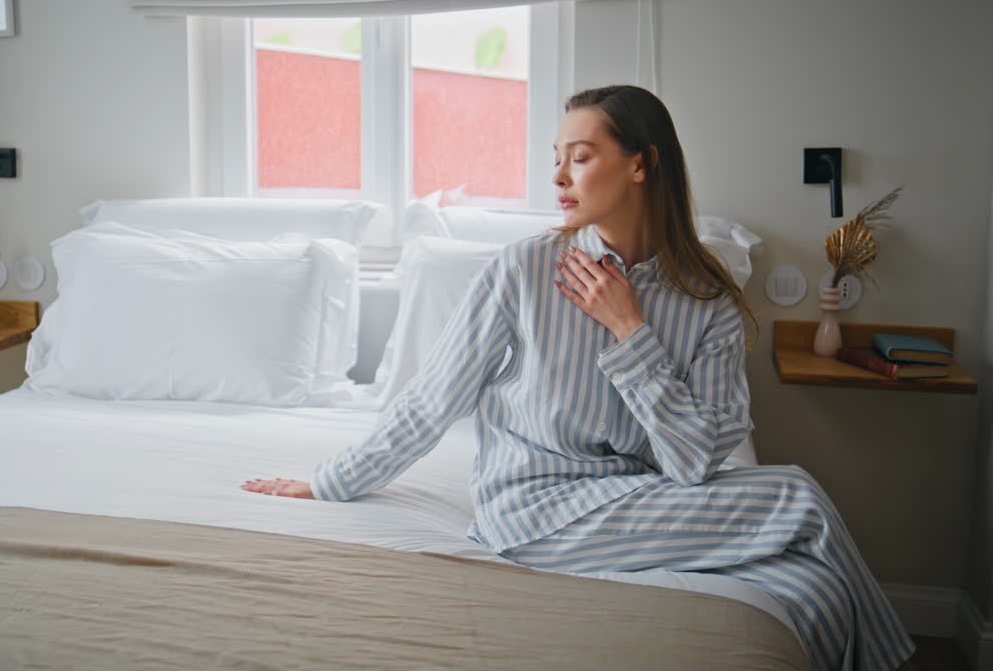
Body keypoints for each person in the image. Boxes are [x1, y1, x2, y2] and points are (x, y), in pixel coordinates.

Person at [242, 85, 914, 671]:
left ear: (642, 164)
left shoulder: (706, 299)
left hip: (643, 497)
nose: (558, 176)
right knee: (795, 499)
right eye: (556, 158)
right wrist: (329, 482)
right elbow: (431, 400)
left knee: (804, 584)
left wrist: (630, 331)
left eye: (581, 157)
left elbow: (691, 466)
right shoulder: (524, 269)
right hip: (532, 510)